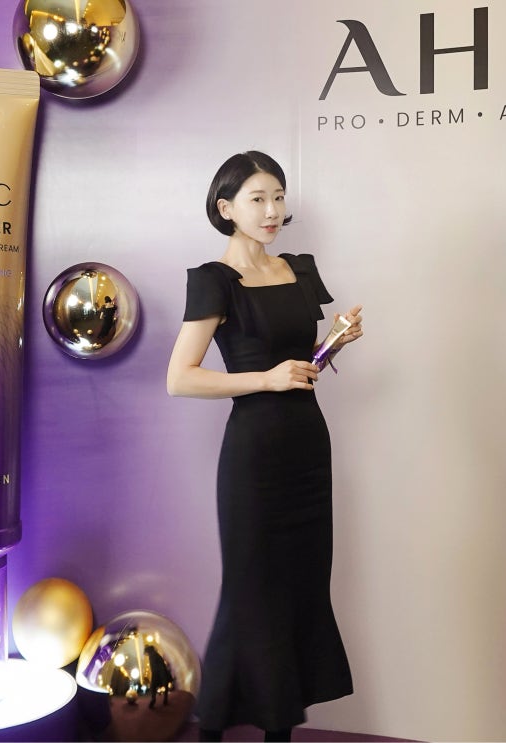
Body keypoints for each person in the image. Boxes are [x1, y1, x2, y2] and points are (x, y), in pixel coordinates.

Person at [167, 151, 362, 742]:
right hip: (254, 456)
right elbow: (180, 378)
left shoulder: (298, 269)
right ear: (226, 208)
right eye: (257, 199)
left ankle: (278, 728)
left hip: (307, 448)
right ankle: (217, 727)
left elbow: (301, 366)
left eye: (278, 196)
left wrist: (334, 343)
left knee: (301, 589)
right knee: (251, 593)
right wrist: (266, 379)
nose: (272, 210)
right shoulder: (214, 280)